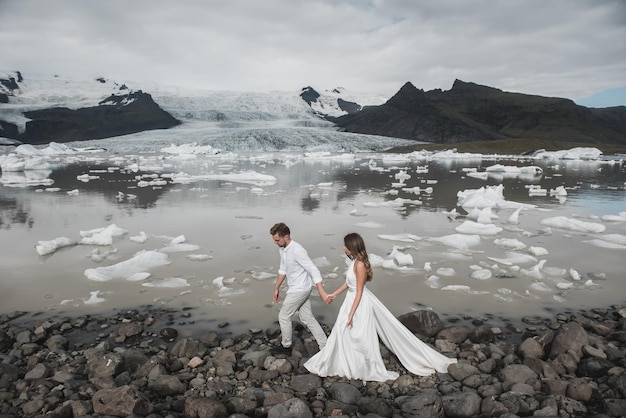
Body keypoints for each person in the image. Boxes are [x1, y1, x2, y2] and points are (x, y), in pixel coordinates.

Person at [304, 232, 457, 382]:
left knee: (358, 335)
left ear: (351, 247)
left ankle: (362, 366)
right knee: (343, 332)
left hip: (359, 303)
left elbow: (359, 291)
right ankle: (346, 362)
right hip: (350, 300)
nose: (343, 248)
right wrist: (335, 294)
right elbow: (349, 283)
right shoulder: (354, 262)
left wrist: (351, 314)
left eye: (345, 245)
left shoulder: (361, 264)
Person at [270, 222, 328, 353]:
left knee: (283, 316)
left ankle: (286, 346)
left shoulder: (298, 250)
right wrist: (276, 288)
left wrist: (321, 291)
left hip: (300, 289)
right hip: (301, 288)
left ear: (286, 237)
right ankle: (325, 345)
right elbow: (283, 269)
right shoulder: (283, 249)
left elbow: (313, 269)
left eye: (277, 240)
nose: (275, 243)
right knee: (307, 318)